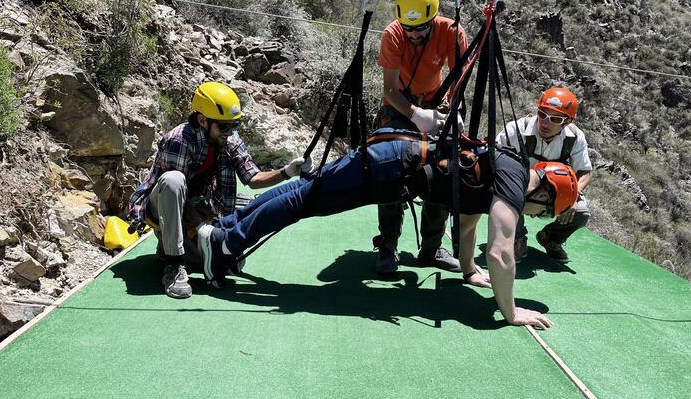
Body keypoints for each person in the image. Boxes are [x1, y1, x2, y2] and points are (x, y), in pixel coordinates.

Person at [196, 131, 579, 329]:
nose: (536, 216)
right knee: (303, 199)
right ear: (544, 192)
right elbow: (501, 252)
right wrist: (510, 311)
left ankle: (225, 230)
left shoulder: (508, 167)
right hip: (391, 165)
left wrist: (468, 269)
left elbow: (468, 218)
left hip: (394, 157)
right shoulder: (515, 185)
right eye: (544, 212)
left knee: (304, 192)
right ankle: (226, 242)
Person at [127, 81, 312, 299]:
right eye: (224, 126)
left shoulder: (228, 139)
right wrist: (202, 228)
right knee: (174, 180)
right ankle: (174, 264)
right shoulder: (179, 139)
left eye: (234, 126)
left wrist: (287, 172)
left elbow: (252, 178)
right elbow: (175, 194)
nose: (230, 132)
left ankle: (172, 249)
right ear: (203, 120)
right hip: (164, 208)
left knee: (219, 261)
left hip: (200, 208)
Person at [374, 0, 468, 274]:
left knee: (444, 168)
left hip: (437, 103)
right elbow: (390, 90)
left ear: (433, 19)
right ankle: (388, 245)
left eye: (421, 28)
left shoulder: (452, 33)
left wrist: (455, 111)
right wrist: (415, 114)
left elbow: (458, 82)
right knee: (389, 167)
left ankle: (431, 247)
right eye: (409, 28)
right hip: (400, 105)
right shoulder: (393, 34)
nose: (413, 34)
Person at [495, 87, 592, 263]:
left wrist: (573, 197)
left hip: (553, 189)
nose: (545, 123)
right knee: (507, 195)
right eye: (542, 114)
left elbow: (584, 172)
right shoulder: (518, 129)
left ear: (567, 121)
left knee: (581, 212)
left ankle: (551, 237)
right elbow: (495, 157)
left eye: (555, 118)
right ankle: (516, 237)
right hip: (519, 185)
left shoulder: (575, 137)